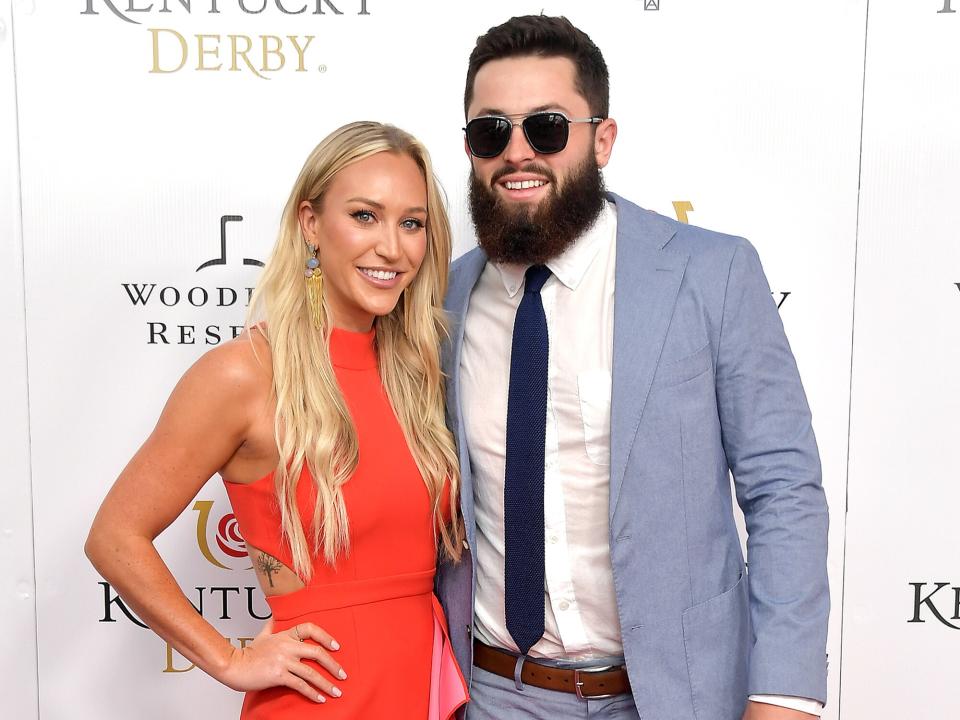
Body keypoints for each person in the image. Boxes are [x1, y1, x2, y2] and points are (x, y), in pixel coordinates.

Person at [435, 15, 830, 720]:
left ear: (602, 139)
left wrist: (784, 693)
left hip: (673, 697)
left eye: (548, 128)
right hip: (491, 694)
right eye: (491, 132)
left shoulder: (711, 274)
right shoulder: (439, 300)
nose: (517, 153)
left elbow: (783, 489)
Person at [86, 121, 469, 719]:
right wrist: (229, 660)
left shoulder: (416, 373)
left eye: (411, 223)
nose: (393, 248)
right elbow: (114, 536)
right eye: (365, 216)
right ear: (311, 224)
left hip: (424, 692)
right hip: (322, 702)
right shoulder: (244, 374)